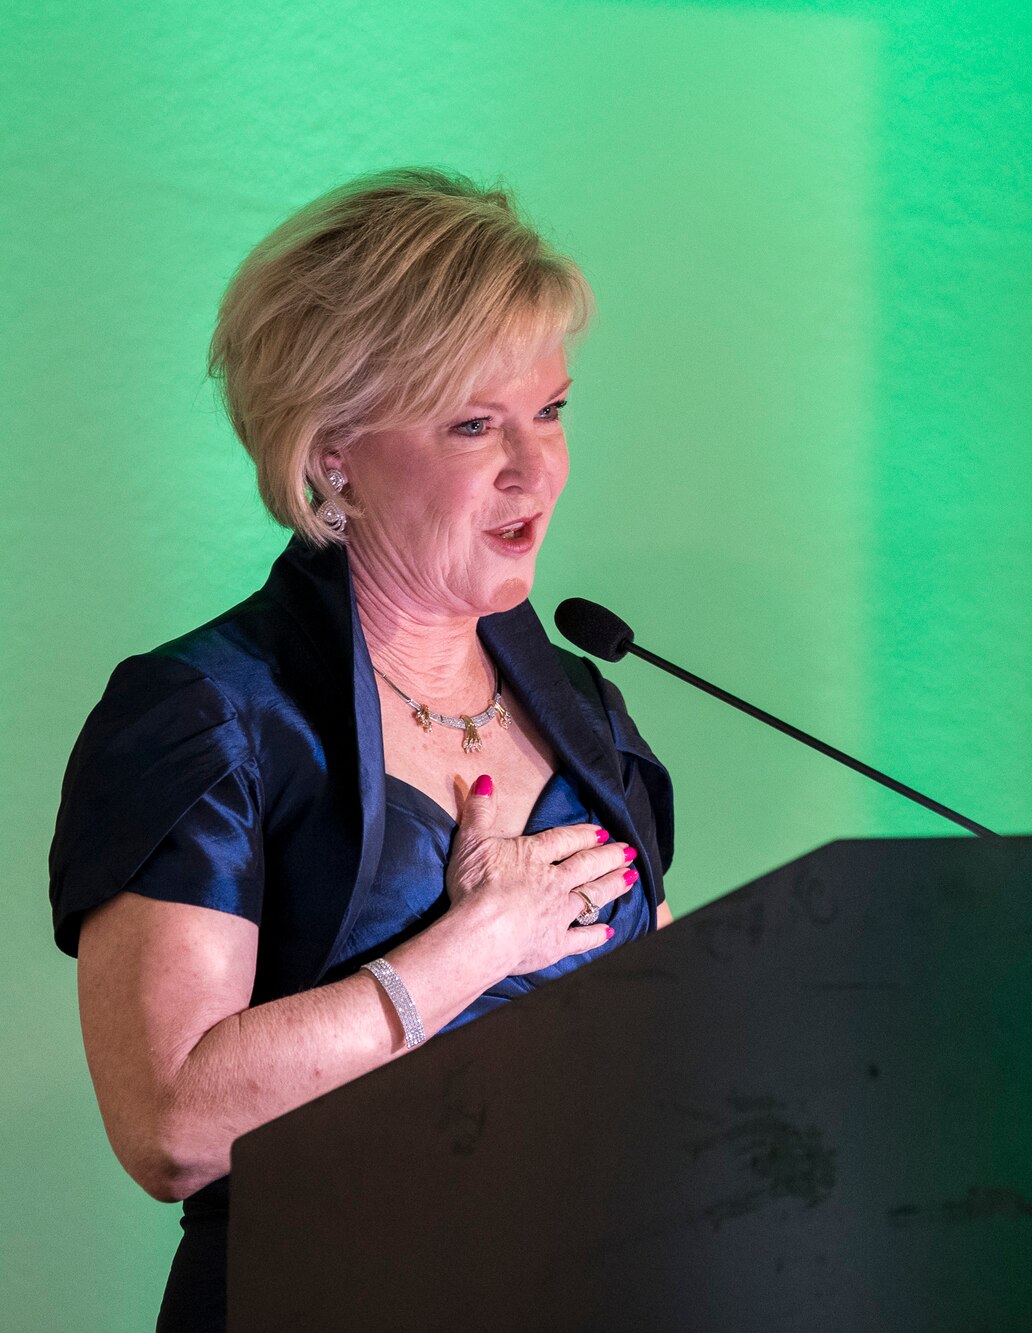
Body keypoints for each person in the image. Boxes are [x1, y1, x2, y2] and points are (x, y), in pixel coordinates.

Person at [47, 168, 675, 1332]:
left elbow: (679, 1019)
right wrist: (474, 946)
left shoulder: (582, 705)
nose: (534, 468)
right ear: (334, 449)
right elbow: (173, 1126)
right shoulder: (204, 715)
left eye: (552, 411)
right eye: (474, 424)